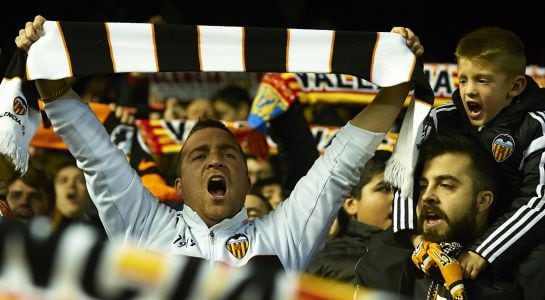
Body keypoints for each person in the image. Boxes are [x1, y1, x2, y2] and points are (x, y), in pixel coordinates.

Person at [16, 15, 422, 272]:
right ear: (177, 187)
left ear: (246, 182)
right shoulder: (144, 225)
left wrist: (397, 75)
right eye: (199, 155)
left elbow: (341, 162)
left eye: (230, 154)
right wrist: (45, 59)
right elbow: (94, 152)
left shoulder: (283, 234)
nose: (216, 161)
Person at [392, 26, 545, 298]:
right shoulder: (440, 118)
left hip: (507, 240)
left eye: (482, 81)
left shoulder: (537, 127)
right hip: (448, 228)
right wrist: (415, 239)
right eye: (463, 80)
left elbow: (538, 200)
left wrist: (484, 251)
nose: (469, 91)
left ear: (515, 86)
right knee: (385, 252)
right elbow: (403, 172)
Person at [356, 133, 523, 299]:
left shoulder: (510, 283)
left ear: (482, 201)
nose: (427, 196)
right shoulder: (382, 259)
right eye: (422, 186)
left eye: (445, 185)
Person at [307, 150, 393, 284]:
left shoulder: (427, 258)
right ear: (351, 204)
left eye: (403, 189)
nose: (397, 198)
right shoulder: (323, 262)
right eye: (384, 189)